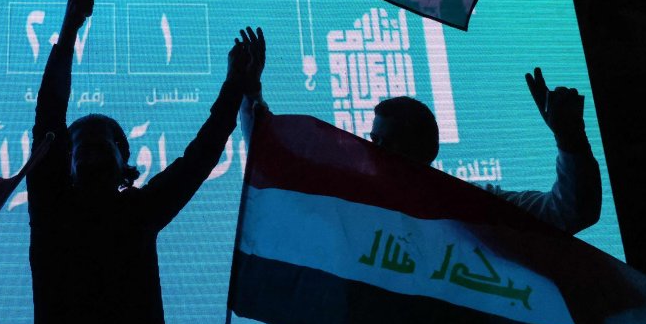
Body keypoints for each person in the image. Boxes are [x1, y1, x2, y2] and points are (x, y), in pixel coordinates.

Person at [28, 0, 260, 324]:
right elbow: (49, 113)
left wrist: (236, 83)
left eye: (104, 143)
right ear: (63, 162)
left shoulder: (139, 211)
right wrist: (69, 27)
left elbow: (201, 157)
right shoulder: (50, 206)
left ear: (125, 165)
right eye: (82, 144)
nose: (92, 148)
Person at [243, 68, 602, 235]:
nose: (375, 152)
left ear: (421, 150)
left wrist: (570, 138)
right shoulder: (354, 202)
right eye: (372, 141)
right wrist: (248, 92)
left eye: (387, 143)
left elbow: (569, 213)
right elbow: (277, 166)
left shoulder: (467, 206)